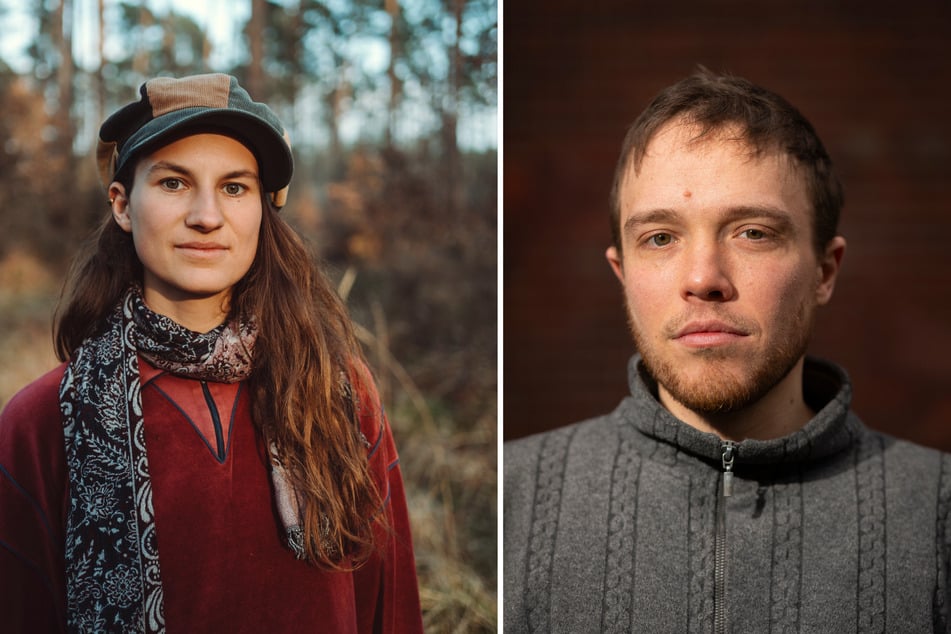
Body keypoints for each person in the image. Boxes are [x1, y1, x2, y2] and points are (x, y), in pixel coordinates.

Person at [504, 68, 951, 632]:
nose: (703, 279)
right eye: (660, 238)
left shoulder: (939, 511)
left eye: (753, 233)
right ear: (623, 274)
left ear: (825, 271)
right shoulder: (516, 495)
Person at [0, 73, 423, 633]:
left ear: (262, 210)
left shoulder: (336, 389)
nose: (206, 216)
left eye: (234, 187)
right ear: (122, 205)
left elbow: (389, 606)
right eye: (174, 183)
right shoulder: (43, 421)